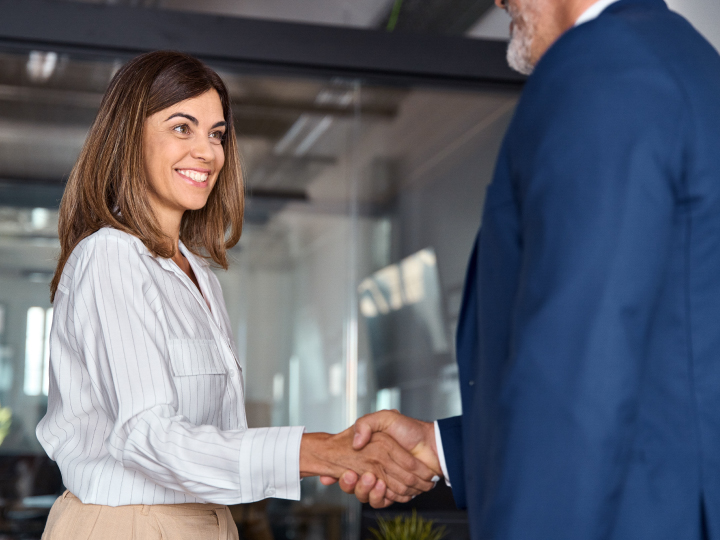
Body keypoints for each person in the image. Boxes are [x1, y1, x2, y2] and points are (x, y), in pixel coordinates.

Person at [331, 0, 720, 538]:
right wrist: (443, 448)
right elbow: (658, 371)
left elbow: (579, 367)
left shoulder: (603, 68)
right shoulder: (680, 60)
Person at [36, 51, 438, 540]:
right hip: (128, 524)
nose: (207, 152)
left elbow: (219, 440)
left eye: (217, 133)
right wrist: (319, 450)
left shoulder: (199, 275)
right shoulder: (110, 257)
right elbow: (149, 437)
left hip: (208, 522)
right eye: (181, 127)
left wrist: (341, 454)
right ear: (128, 138)